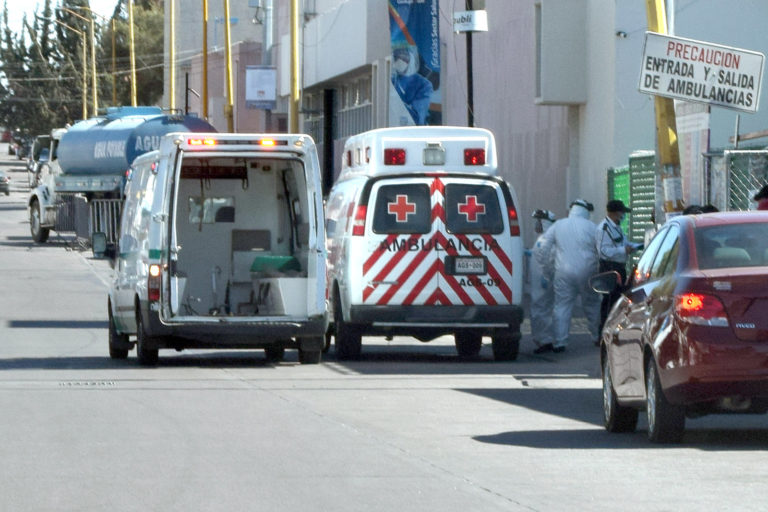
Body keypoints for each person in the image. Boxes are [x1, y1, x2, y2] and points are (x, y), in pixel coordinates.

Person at [535, 199, 601, 353]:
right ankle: (597, 336)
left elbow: (543, 248)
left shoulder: (559, 225)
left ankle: (560, 342)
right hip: (588, 272)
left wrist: (548, 270)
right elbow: (601, 249)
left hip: (563, 272)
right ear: (586, 211)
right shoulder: (593, 227)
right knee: (592, 304)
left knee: (562, 307)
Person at [596, 199, 640, 339]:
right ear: (615, 213)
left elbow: (624, 243)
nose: (623, 216)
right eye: (622, 213)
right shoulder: (604, 228)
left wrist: (636, 246)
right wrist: (623, 251)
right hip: (609, 268)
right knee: (609, 300)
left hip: (619, 267)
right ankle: (603, 333)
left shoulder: (617, 227)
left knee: (617, 300)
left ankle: (613, 330)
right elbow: (603, 251)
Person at [529, 209, 557, 354]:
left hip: (542, 283)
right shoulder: (543, 238)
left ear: (544, 223)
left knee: (542, 311)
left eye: (538, 221)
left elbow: (548, 260)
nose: (536, 225)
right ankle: (542, 340)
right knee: (541, 310)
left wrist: (545, 277)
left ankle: (545, 341)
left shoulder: (546, 240)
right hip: (540, 284)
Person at [391, 46, 433, 125]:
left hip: (414, 131)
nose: (399, 61)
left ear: (410, 60)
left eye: (404, 59)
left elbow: (418, 116)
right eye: (396, 58)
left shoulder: (423, 84)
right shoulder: (393, 82)